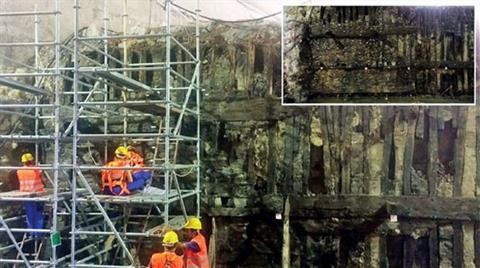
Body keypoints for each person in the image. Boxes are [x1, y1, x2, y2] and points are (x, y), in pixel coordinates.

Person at [17, 153, 45, 237]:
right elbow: (44, 180)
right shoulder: (36, 169)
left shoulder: (19, 170)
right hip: (36, 194)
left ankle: (31, 233)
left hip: (25, 194)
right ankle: (38, 233)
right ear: (31, 160)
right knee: (38, 214)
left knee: (29, 214)